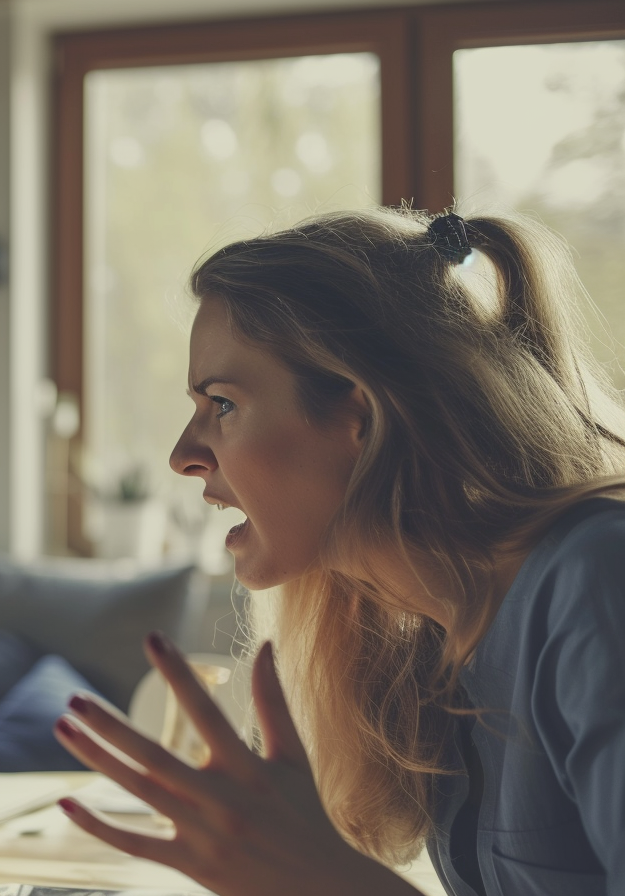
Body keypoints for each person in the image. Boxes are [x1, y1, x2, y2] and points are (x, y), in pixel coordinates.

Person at [53, 207, 625, 896]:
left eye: (223, 404)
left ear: (359, 415)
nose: (182, 456)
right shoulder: (435, 648)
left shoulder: (597, 583)